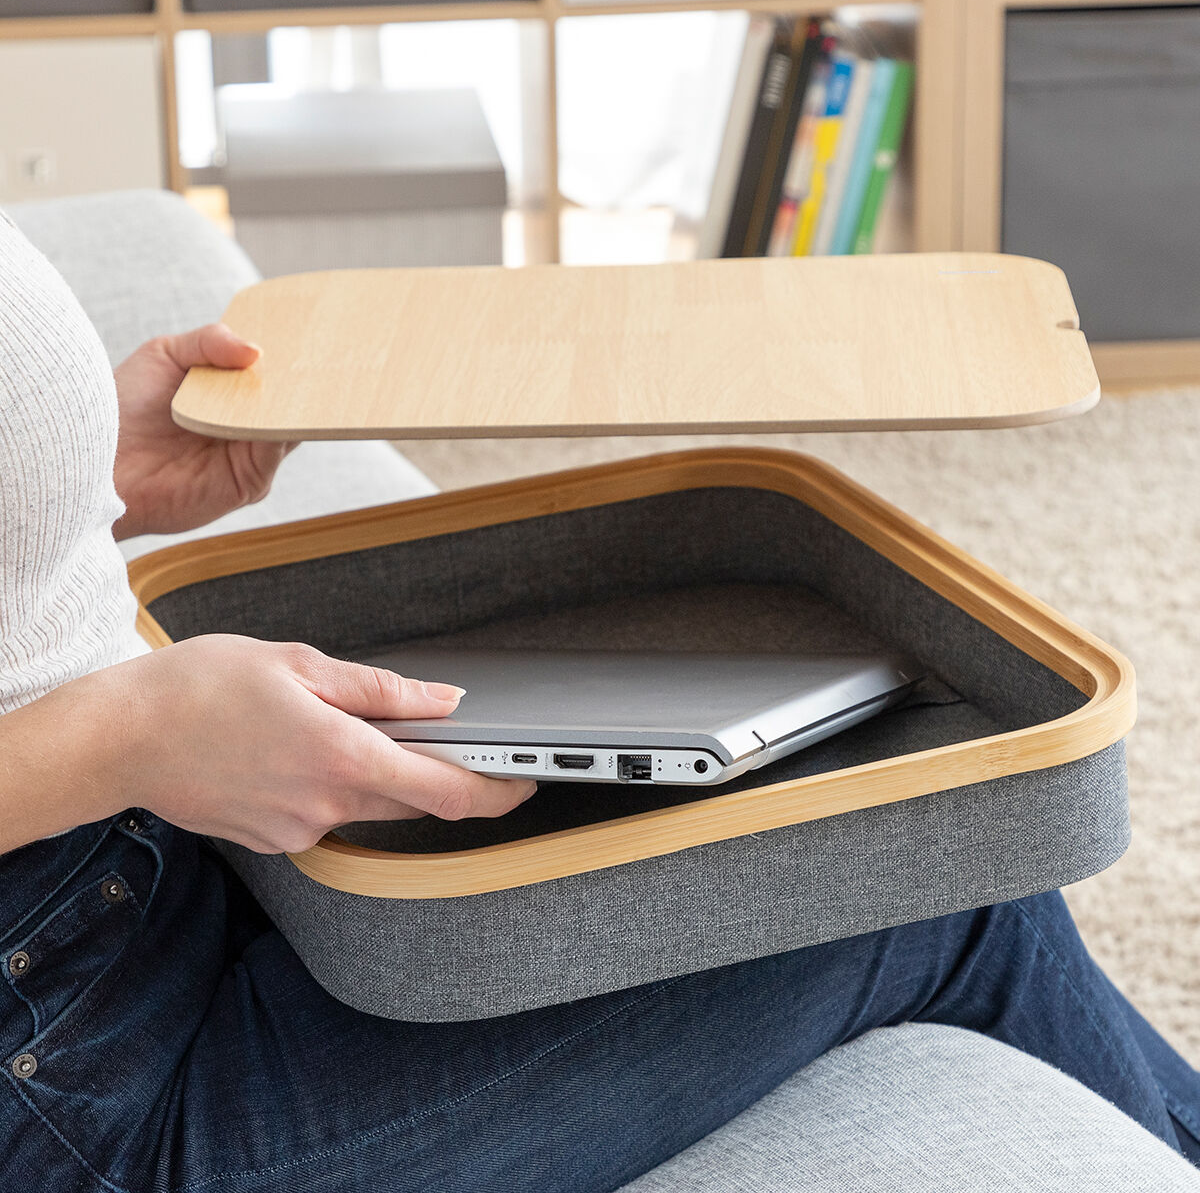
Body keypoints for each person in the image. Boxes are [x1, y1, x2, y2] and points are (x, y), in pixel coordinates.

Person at [1, 206, 1197, 1193]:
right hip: (87, 1099)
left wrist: (85, 494)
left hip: (142, 882)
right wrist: (133, 735)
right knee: (935, 874)